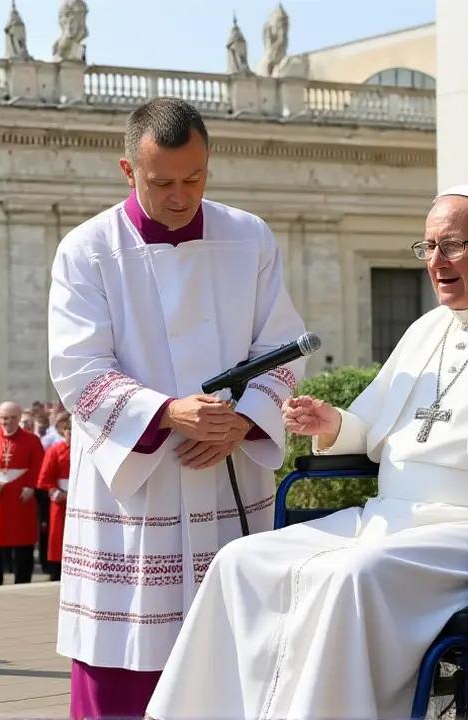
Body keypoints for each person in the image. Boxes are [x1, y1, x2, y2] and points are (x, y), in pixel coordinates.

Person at [145, 184, 468, 719]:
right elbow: (376, 428)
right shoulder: (425, 330)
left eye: (452, 245)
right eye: (428, 247)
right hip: (395, 517)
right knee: (240, 561)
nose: (435, 261)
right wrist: (332, 424)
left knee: (351, 576)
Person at [48, 97, 307, 719]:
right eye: (161, 181)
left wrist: (241, 421)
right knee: (128, 652)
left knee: (232, 651)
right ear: (126, 171)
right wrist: (168, 412)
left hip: (226, 474)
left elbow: (282, 346)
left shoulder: (249, 236)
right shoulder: (87, 249)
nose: (179, 195)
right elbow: (78, 368)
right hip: (137, 487)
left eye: (194, 178)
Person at [0, 401, 45, 586]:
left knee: (22, 542)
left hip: (21, 501)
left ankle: (23, 581)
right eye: (4, 418)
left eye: (12, 417)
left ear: (19, 418)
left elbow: (39, 468)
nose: (8, 422)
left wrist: (31, 486)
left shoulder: (32, 440)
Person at [36, 411, 71, 582]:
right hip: (60, 500)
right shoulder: (55, 451)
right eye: (68, 431)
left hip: (79, 500)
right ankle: (56, 571)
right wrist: (56, 492)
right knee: (58, 537)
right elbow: (44, 479)